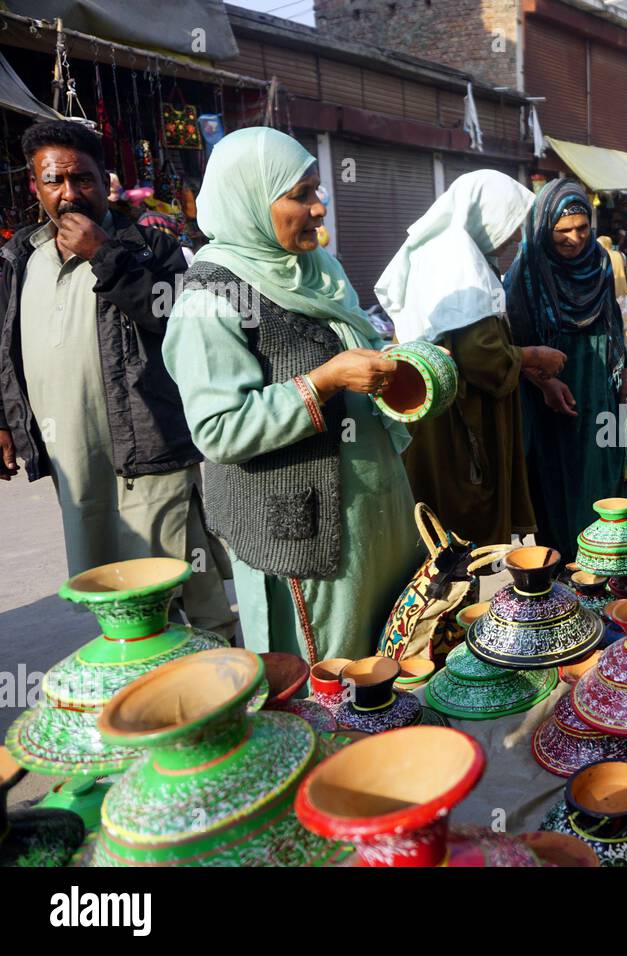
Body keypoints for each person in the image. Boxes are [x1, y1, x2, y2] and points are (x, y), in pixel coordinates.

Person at [163, 127, 422, 662]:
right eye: (300, 195)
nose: (319, 208)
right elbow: (220, 429)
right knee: (330, 671)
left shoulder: (315, 270)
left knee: (390, 652)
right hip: (305, 532)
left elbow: (359, 343)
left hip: (372, 514)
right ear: (251, 201)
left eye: (317, 191)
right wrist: (325, 381)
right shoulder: (210, 298)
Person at [0, 120, 234, 637]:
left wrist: (103, 255)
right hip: (74, 461)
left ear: (103, 179)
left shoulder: (152, 246)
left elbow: (174, 319)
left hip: (148, 449)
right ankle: (147, 687)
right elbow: (6, 340)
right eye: (54, 181)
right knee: (114, 585)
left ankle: (223, 673)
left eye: (81, 179)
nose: (69, 194)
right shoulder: (20, 257)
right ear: (34, 187)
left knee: (177, 573)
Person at [375, 169, 566, 548]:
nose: (515, 236)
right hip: (460, 424)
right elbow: (483, 359)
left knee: (437, 523)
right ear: (487, 216)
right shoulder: (456, 263)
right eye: (512, 224)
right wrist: (534, 355)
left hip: (435, 415)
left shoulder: (441, 255)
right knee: (461, 527)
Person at [506, 178, 627, 563]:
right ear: (545, 227)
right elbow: (514, 340)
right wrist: (545, 383)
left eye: (582, 228)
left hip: (599, 385)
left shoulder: (597, 261)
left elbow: (612, 322)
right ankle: (565, 563)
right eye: (563, 230)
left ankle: (605, 556)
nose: (575, 239)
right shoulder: (527, 269)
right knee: (557, 474)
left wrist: (625, 377)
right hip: (550, 391)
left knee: (602, 466)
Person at [597, 235, 627, 330]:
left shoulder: (601, 256)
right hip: (622, 288)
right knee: (623, 315)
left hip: (608, 289)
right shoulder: (620, 255)